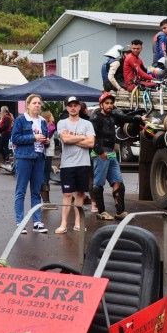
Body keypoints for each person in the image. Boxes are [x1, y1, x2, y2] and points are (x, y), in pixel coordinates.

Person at [55, 96, 95, 234]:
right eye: (70, 105)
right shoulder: (62, 123)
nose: (73, 108)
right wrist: (83, 137)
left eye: (75, 105)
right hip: (67, 164)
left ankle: (78, 223)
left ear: (79, 107)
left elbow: (91, 143)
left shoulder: (87, 124)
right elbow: (65, 139)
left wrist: (73, 139)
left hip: (83, 164)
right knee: (66, 194)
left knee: (80, 194)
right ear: (67, 107)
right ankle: (63, 224)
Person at [10, 93, 49, 233]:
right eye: (34, 103)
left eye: (39, 103)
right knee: (20, 191)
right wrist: (33, 137)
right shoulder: (21, 120)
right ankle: (20, 222)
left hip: (39, 157)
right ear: (27, 105)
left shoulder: (43, 121)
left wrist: (46, 141)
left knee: (36, 192)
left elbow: (45, 139)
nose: (37, 105)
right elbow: (15, 139)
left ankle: (37, 222)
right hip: (24, 157)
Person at [91, 92, 132, 220]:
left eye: (111, 103)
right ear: (101, 104)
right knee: (99, 184)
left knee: (119, 182)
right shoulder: (95, 118)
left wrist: (138, 118)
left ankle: (120, 211)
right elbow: (92, 138)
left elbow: (126, 119)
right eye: (107, 103)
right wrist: (100, 152)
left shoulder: (112, 116)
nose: (110, 105)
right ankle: (101, 212)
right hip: (101, 154)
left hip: (111, 154)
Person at [40, 110, 56, 204]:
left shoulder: (46, 125)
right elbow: (47, 141)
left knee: (45, 175)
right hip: (47, 153)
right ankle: (46, 201)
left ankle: (46, 200)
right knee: (45, 176)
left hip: (47, 153)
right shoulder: (50, 126)